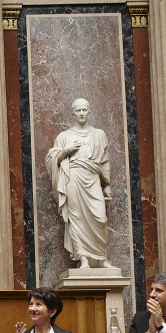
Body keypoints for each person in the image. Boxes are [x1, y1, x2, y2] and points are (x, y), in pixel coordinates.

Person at [45, 98, 113, 269]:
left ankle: (101, 258)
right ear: (73, 113)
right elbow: (52, 159)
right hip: (73, 178)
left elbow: (104, 161)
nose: (82, 113)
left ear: (89, 111)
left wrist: (106, 185)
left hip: (93, 178)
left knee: (100, 217)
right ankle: (83, 258)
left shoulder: (99, 134)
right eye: (78, 110)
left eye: (84, 110)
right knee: (76, 219)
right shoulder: (64, 137)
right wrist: (66, 150)